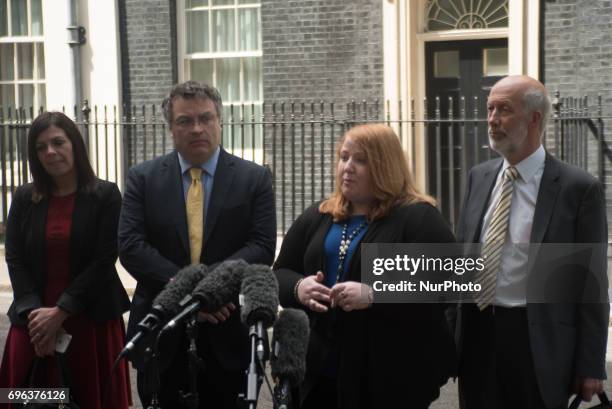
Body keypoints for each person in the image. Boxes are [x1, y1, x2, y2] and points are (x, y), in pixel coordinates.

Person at [273, 123, 457, 409]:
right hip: (318, 372)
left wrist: (373, 294)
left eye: (360, 160)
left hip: (387, 375)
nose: (347, 167)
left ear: (385, 166)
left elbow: (446, 281)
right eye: (344, 157)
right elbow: (280, 273)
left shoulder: (417, 217)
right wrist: (300, 287)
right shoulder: (320, 215)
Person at [118, 80, 276, 408]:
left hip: (228, 328)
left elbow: (261, 246)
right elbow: (131, 246)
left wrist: (210, 291)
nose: (197, 128)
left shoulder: (253, 179)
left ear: (220, 121)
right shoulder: (142, 179)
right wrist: (189, 293)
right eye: (185, 121)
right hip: (161, 333)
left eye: (206, 118)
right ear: (171, 128)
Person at [455, 75, 609, 409]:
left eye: (504, 110)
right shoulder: (479, 176)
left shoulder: (577, 188)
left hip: (537, 341)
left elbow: (591, 283)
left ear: (534, 118)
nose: (492, 119)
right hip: (478, 335)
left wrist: (590, 365)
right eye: (490, 108)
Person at [0, 112, 132, 408]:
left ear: (74, 144)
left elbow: (104, 259)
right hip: (32, 321)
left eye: (58, 142)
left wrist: (59, 313)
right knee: (22, 398)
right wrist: (38, 318)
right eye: (40, 147)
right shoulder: (24, 197)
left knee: (86, 399)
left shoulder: (106, 195)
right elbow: (15, 258)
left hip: (90, 320)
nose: (50, 152)